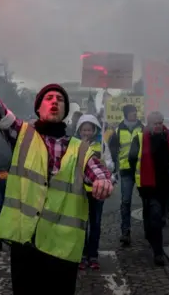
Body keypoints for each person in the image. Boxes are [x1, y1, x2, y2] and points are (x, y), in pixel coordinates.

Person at [0, 26, 113, 295]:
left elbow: (98, 172)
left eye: (60, 100)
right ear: (38, 107)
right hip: (25, 243)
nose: (54, 102)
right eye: (48, 98)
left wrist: (103, 183)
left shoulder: (80, 149)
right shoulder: (22, 135)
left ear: (64, 111)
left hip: (62, 248)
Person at [129, 111, 169, 266]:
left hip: (166, 184)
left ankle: (150, 233)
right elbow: (132, 158)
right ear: (149, 124)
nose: (159, 125)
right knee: (154, 215)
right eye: (156, 123)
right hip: (148, 184)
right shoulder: (140, 138)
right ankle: (158, 252)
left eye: (161, 122)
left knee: (157, 216)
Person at [75, 114, 115, 270]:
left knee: (95, 223)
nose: (86, 133)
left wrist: (106, 164)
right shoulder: (75, 145)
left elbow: (111, 164)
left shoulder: (102, 145)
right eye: (83, 130)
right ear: (79, 131)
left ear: (94, 130)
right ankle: (82, 254)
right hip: (80, 190)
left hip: (97, 191)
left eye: (89, 130)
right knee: (81, 224)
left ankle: (93, 255)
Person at [109, 104, 144, 246]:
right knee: (126, 201)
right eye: (131, 113)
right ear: (125, 114)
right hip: (126, 171)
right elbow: (112, 151)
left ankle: (150, 229)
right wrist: (112, 169)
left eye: (135, 112)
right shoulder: (117, 131)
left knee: (147, 201)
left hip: (142, 169)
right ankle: (125, 231)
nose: (134, 114)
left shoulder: (143, 128)